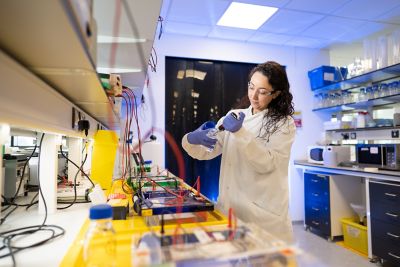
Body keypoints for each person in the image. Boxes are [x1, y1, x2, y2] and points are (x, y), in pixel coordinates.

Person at [181, 61, 296, 243]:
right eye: (251, 87)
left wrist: (239, 132)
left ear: (276, 94)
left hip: (262, 218)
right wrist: (191, 139)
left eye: (263, 91)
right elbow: (207, 151)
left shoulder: (284, 123)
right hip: (230, 210)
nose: (254, 96)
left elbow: (267, 163)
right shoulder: (233, 115)